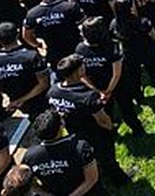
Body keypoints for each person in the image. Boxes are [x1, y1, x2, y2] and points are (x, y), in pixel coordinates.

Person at [47, 55, 131, 186]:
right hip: (95, 133)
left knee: (88, 157)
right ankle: (120, 180)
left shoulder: (53, 91)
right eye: (82, 65)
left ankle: (97, 173)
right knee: (107, 157)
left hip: (73, 133)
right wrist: (110, 128)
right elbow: (102, 120)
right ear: (78, 71)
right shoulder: (87, 96)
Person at [21, 110, 101, 196]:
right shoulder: (80, 147)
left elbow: (24, 182)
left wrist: (45, 194)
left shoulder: (30, 156)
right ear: (61, 126)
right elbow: (92, 178)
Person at [0, 22, 50, 119]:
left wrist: (8, 91)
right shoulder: (31, 56)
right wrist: (21, 100)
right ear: (17, 35)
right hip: (39, 99)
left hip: (16, 99)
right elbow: (44, 84)